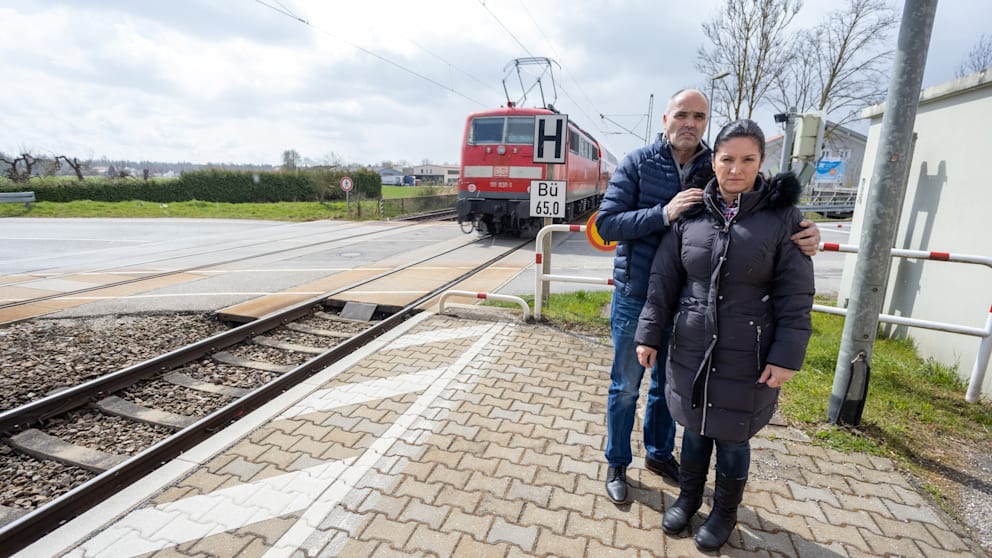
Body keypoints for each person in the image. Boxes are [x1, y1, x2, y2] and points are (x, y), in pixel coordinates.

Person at [595, 89, 821, 505]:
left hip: (689, 305)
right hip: (637, 296)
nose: (690, 123)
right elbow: (607, 224)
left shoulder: (715, 162)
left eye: (699, 116)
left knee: (670, 387)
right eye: (681, 114)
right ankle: (616, 461)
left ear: (707, 123)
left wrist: (806, 229)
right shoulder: (637, 164)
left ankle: (660, 454)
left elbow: (766, 203)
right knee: (626, 386)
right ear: (665, 118)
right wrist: (664, 214)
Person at [635, 118, 815, 552]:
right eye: (727, 159)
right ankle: (689, 497)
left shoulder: (783, 218)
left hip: (747, 353)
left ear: (760, 162)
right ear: (713, 161)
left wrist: (786, 356)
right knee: (694, 430)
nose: (736, 169)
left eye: (747, 159)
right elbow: (663, 279)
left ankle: (724, 513)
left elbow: (796, 294)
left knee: (733, 437)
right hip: (691, 346)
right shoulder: (691, 211)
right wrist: (649, 335)